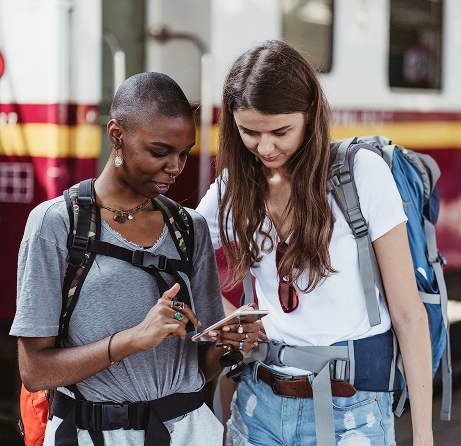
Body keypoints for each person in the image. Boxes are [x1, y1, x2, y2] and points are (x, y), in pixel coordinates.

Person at [197, 40, 433, 446]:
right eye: (249, 132)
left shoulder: (361, 174)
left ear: (310, 114)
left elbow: (409, 315)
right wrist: (227, 314)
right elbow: (179, 253)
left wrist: (424, 436)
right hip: (258, 406)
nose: (265, 148)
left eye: (281, 131)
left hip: (352, 411)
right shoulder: (235, 187)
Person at [10, 72, 259, 446]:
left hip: (189, 432)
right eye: (159, 152)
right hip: (92, 434)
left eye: (183, 153)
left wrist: (230, 344)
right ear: (116, 136)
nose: (175, 166)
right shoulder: (56, 224)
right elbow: (35, 372)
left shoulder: (190, 228)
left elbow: (201, 366)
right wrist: (134, 339)